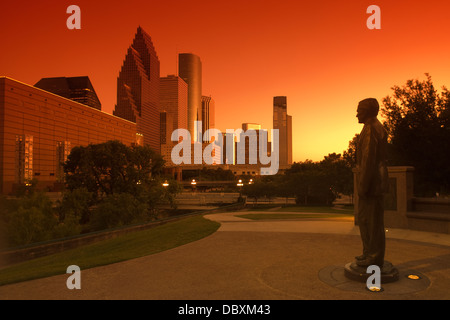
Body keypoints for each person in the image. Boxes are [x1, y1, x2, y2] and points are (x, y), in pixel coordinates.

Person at [355, 98, 389, 267]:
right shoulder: (373, 127)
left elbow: (368, 161)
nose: (356, 114)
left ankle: (374, 257)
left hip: (372, 185)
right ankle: (368, 252)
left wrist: (362, 186)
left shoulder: (371, 129)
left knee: (372, 223)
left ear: (368, 111)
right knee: (365, 220)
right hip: (373, 184)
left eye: (359, 110)